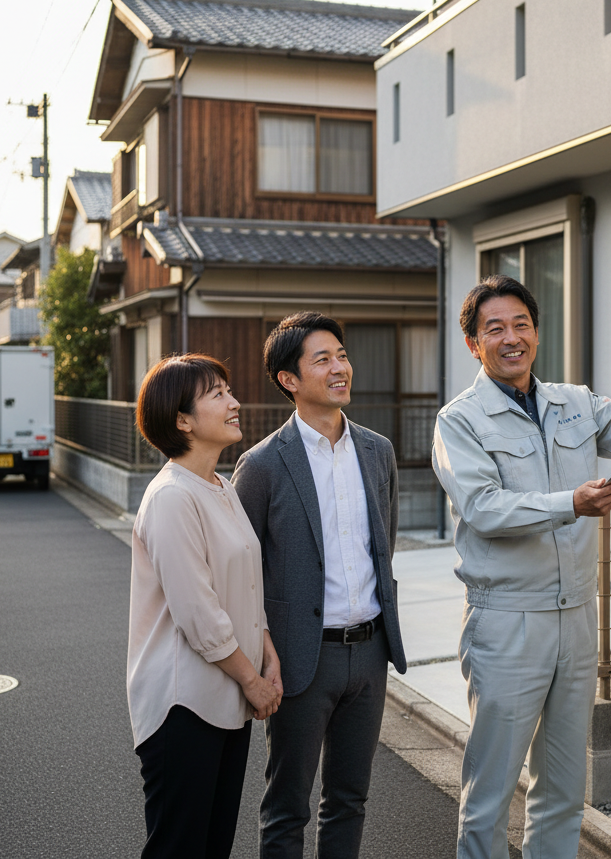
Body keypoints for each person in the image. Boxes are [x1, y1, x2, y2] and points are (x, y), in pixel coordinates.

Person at [432, 275, 611, 859]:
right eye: (495, 329)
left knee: (561, 789)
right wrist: (572, 504)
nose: (511, 338)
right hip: (507, 621)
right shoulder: (460, 421)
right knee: (490, 791)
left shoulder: (573, 401)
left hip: (577, 618)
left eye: (521, 325)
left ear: (536, 332)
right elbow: (483, 508)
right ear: (473, 344)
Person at [231, 311, 407, 859]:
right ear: (289, 379)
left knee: (350, 800)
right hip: (301, 657)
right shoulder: (260, 465)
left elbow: (385, 543)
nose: (340, 368)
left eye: (343, 356)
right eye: (323, 359)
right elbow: (241, 572)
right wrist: (260, 654)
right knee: (287, 807)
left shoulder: (377, 452)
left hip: (370, 651)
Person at [127, 353, 282, 859]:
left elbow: (243, 585)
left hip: (226, 696)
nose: (234, 402)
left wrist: (266, 652)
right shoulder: (172, 496)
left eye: (228, 390)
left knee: (211, 846)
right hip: (183, 702)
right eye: (217, 394)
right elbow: (199, 612)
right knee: (179, 848)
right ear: (182, 419)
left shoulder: (220, 487)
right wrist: (253, 680)